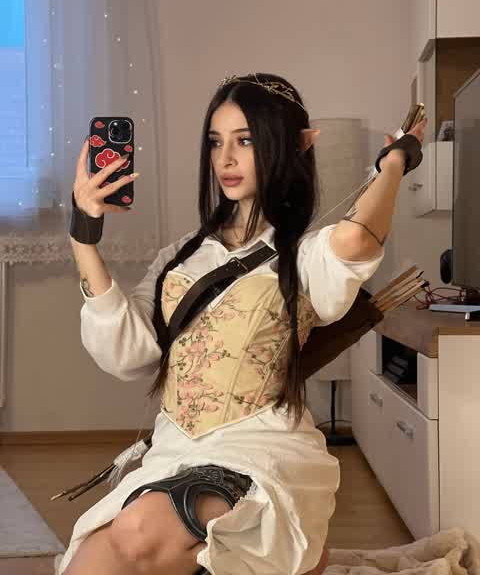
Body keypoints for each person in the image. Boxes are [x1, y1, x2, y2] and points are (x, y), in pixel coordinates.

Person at [59, 72, 426, 575]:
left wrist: (396, 161)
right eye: (216, 142)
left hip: (258, 450)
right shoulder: (178, 258)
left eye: (246, 140)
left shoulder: (305, 255)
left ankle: (278, 542)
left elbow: (359, 240)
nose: (225, 159)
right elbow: (129, 354)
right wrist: (84, 234)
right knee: (93, 555)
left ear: (298, 144)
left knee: (136, 534)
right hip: (173, 451)